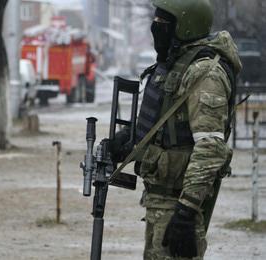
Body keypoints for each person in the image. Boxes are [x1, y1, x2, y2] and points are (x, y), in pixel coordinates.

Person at [111, 0, 241, 259]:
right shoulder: (177, 64)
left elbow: (210, 147)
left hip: (177, 205)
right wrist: (128, 140)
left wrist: (186, 211)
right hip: (159, 201)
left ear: (185, 27)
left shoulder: (205, 73)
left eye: (163, 23)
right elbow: (167, 128)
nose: (155, 27)